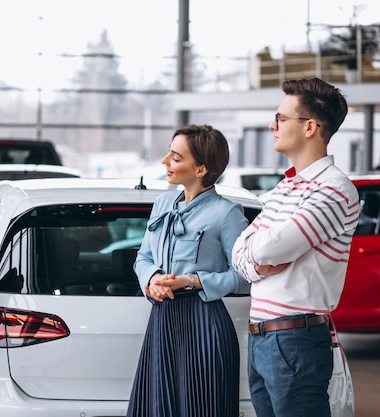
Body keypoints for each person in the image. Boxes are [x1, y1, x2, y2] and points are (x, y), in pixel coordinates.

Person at [231, 78, 359, 417]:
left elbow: (270, 247)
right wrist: (255, 262)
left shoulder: (335, 189)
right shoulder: (286, 187)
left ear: (310, 127)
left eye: (281, 118)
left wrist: (255, 257)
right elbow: (239, 250)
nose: (272, 125)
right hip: (262, 337)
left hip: (295, 339)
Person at [127, 124, 250, 417]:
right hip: (162, 321)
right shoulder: (161, 204)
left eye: (176, 157)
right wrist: (152, 278)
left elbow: (245, 276)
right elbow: (142, 257)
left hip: (204, 324)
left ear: (201, 169)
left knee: (202, 406)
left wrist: (192, 281)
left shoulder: (227, 213)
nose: (165, 162)